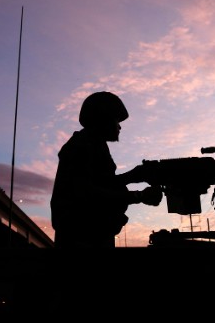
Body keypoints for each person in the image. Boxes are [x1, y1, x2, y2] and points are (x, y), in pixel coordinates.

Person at [50, 91, 162, 248]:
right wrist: (139, 196)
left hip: (93, 235)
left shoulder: (95, 145)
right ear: (104, 120)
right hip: (81, 240)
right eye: (116, 120)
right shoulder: (80, 146)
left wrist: (132, 176)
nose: (119, 126)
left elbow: (102, 182)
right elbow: (85, 192)